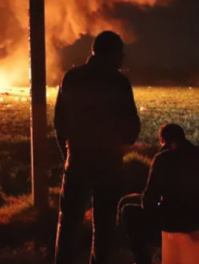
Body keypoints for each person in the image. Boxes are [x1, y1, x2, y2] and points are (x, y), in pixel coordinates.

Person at [53, 30, 141, 264]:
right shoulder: (118, 81)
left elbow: (59, 124)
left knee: (69, 220)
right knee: (104, 222)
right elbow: (132, 124)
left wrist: (68, 154)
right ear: (112, 54)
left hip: (78, 157)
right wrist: (120, 149)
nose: (123, 59)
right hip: (108, 162)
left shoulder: (71, 77)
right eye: (120, 54)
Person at [119, 123, 199, 264]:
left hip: (174, 220)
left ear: (163, 140)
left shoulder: (163, 158)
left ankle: (142, 259)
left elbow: (149, 200)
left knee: (127, 209)